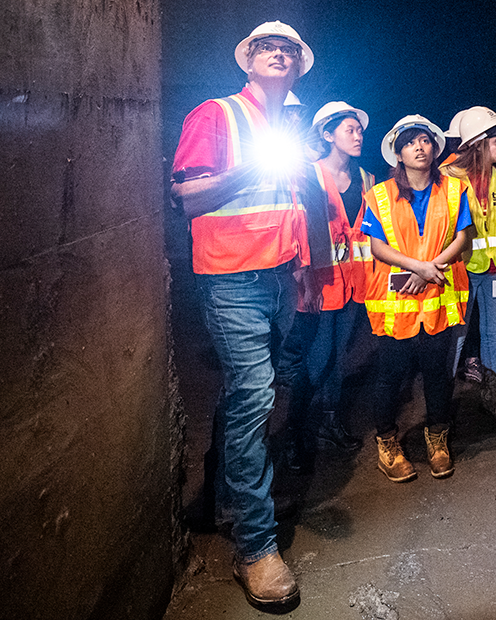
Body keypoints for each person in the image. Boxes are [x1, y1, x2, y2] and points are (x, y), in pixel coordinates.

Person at [169, 20, 314, 607]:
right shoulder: (217, 114)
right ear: (248, 61)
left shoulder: (286, 127)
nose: (278, 54)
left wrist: (301, 266)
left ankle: (218, 495)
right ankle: (256, 547)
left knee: (244, 395)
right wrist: (255, 167)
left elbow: (291, 204)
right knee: (255, 395)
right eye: (266, 48)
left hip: (275, 276)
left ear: (299, 66)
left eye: (288, 50)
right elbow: (186, 196)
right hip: (230, 280)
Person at [361, 115, 474, 482]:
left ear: (435, 147)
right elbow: (377, 246)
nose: (420, 147)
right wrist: (418, 267)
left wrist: (430, 267)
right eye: (410, 142)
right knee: (390, 378)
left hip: (436, 297)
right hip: (397, 302)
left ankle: (437, 439)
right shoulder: (378, 195)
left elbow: (463, 238)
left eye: (425, 140)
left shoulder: (454, 190)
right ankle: (387, 444)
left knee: (437, 375)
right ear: (398, 153)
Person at [279, 102, 373, 476]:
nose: (357, 135)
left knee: (337, 359)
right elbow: (298, 229)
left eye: (359, 129)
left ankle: (330, 424)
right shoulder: (309, 176)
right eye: (349, 129)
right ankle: (295, 436)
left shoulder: (365, 179)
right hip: (319, 285)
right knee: (315, 364)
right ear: (328, 134)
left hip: (353, 284)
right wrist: (303, 279)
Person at [442, 106, 496, 421]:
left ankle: (492, 397)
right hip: (462, 272)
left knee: (494, 333)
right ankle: (443, 405)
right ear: (478, 143)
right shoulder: (450, 177)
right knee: (458, 334)